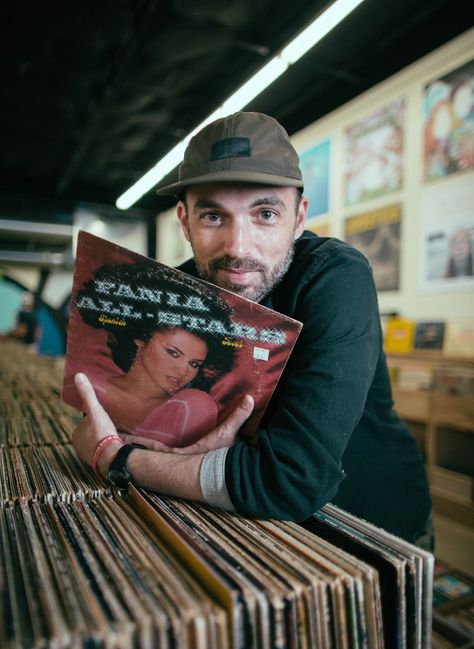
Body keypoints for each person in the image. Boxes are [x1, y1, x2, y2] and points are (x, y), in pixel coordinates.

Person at [72, 111, 432, 548]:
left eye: (264, 214)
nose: (238, 248)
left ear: (298, 217)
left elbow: (290, 482)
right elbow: (112, 416)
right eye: (213, 217)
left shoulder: (335, 276)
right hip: (245, 524)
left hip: (366, 522)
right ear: (184, 221)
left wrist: (117, 458)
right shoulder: (176, 289)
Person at [64, 261, 236, 447]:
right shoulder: (89, 388)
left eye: (194, 364)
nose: (182, 370)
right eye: (173, 352)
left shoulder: (192, 406)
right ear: (141, 338)